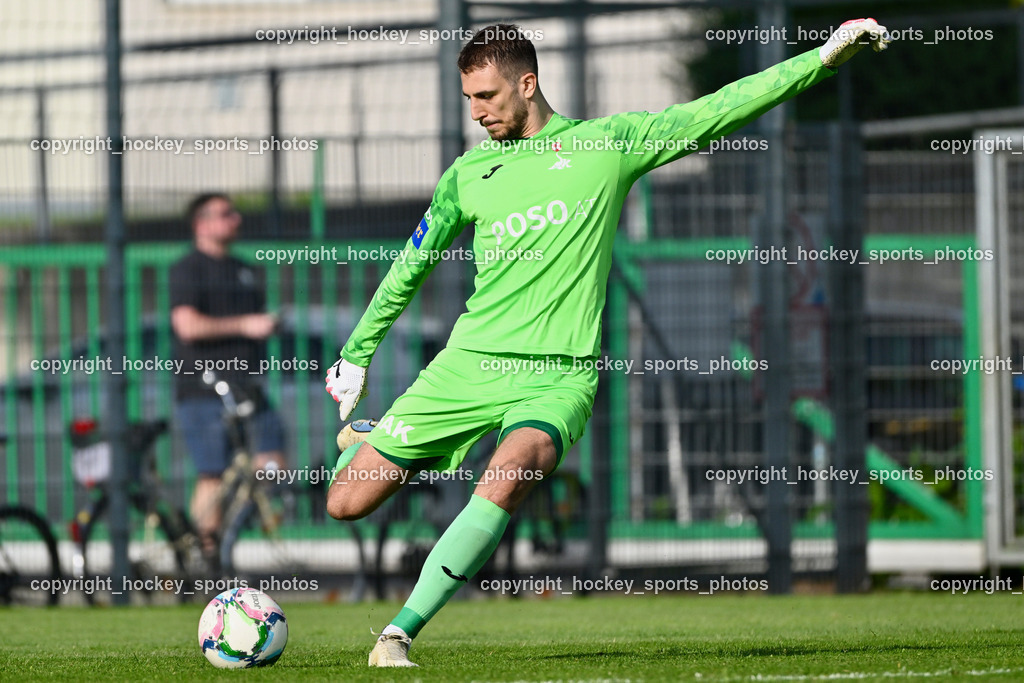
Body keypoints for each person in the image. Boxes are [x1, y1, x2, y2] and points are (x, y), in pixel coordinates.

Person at [325, 20, 890, 667]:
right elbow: (411, 264)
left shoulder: (606, 145)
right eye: (469, 99)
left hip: (558, 377)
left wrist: (819, 58)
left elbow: (714, 112)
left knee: (509, 474)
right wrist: (358, 351)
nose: (477, 112)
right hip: (466, 366)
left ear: (527, 83)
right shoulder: (468, 173)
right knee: (346, 501)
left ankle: (397, 633)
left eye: (486, 96)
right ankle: (371, 436)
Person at [170, 193, 286, 562]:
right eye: (225, 214)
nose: (235, 219)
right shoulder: (188, 269)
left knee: (273, 465)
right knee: (212, 475)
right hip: (204, 389)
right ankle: (205, 561)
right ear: (201, 224)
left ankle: (233, 533)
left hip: (248, 387)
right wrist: (246, 325)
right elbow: (186, 326)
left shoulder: (243, 269)